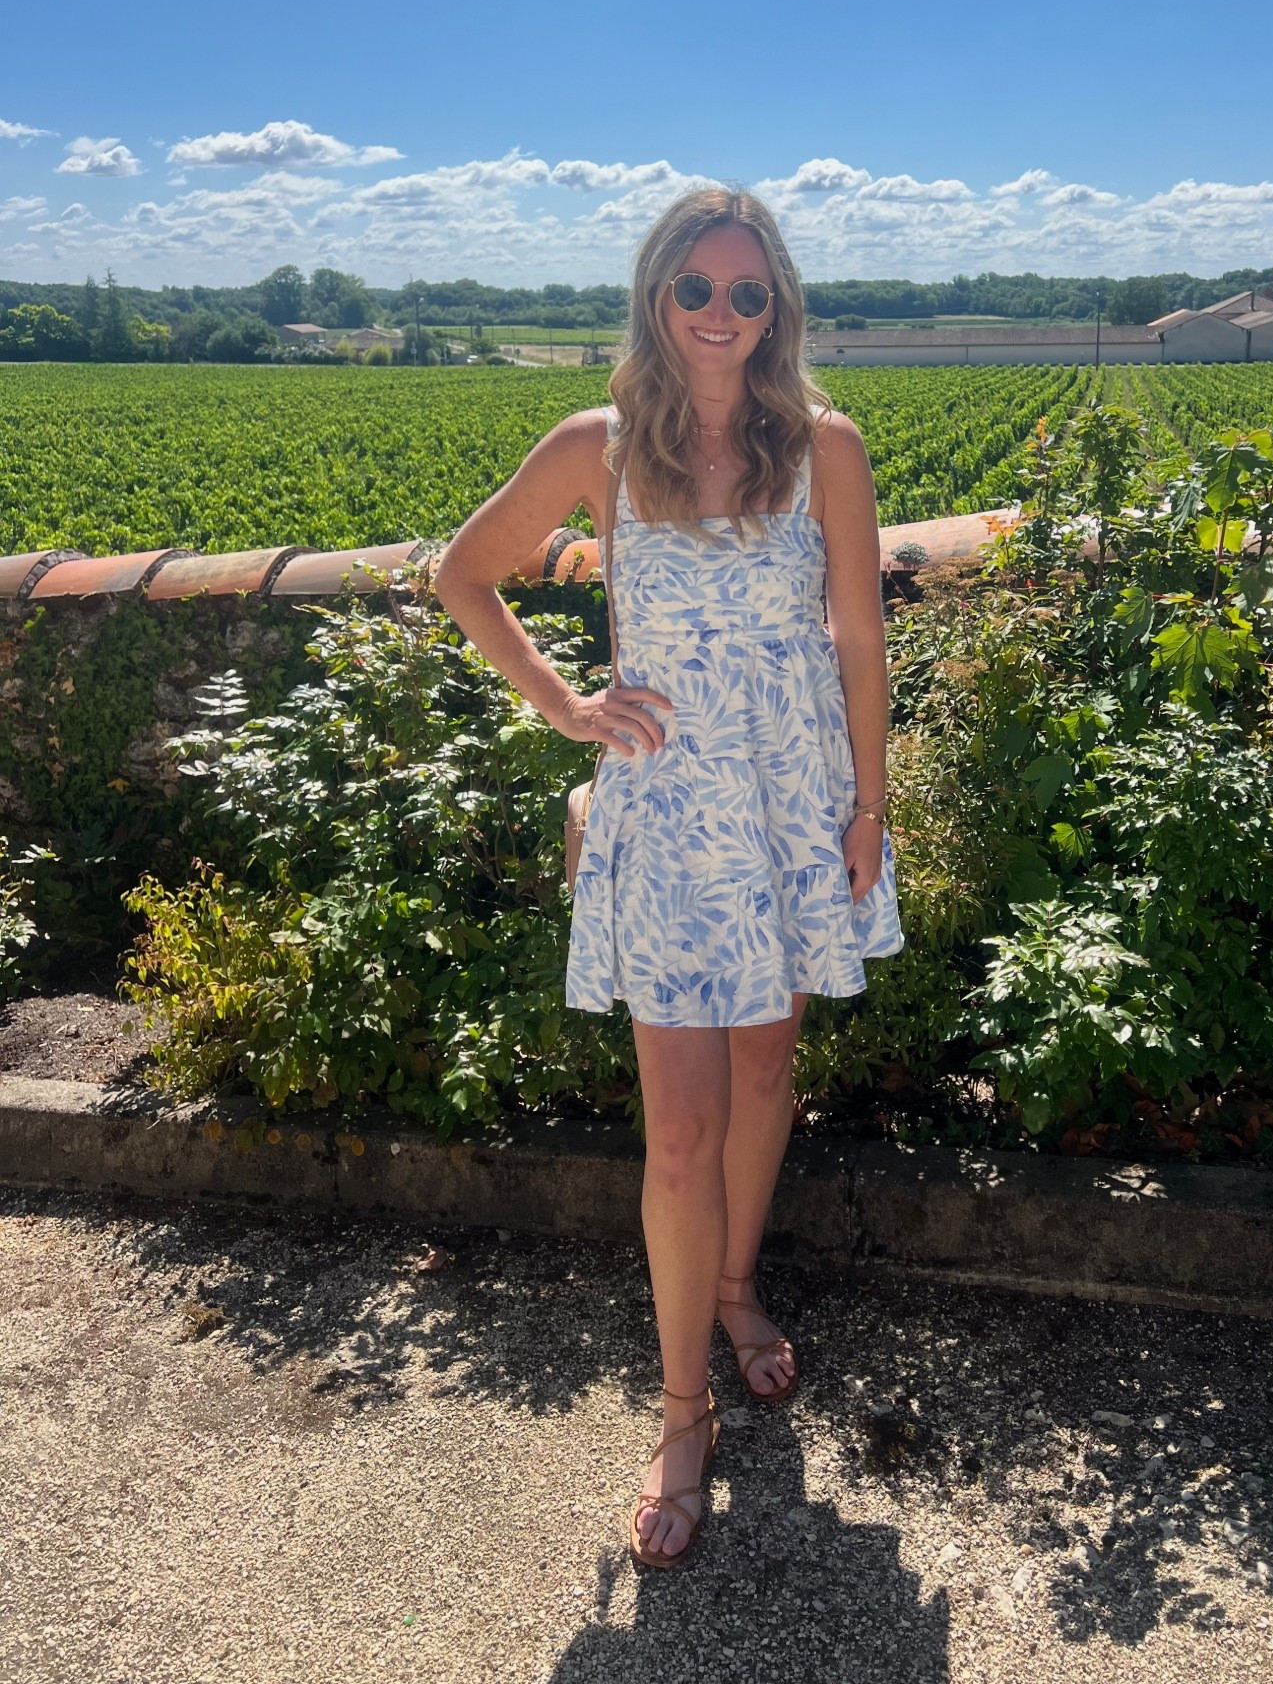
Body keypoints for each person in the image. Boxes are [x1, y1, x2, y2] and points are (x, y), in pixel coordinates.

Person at [434, 186, 904, 1568]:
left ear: (779, 311)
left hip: (791, 806)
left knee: (767, 1073)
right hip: (670, 819)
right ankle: (682, 1409)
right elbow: (467, 576)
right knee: (679, 1132)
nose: (719, 314)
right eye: (694, 289)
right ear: (655, 298)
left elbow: (862, 639)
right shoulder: (598, 447)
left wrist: (869, 803)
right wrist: (571, 707)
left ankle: (744, 1287)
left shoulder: (826, 446)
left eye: (746, 294)